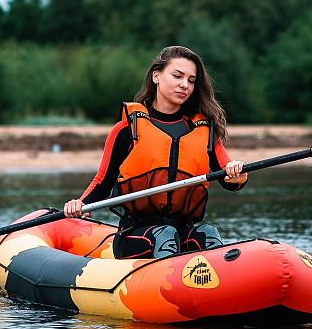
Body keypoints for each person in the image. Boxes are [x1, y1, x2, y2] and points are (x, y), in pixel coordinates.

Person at [63, 46, 248, 259]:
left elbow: (230, 178)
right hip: (135, 234)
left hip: (181, 231)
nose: (184, 85)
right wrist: (80, 204)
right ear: (156, 76)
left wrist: (238, 172)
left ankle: (215, 285)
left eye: (191, 80)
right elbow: (102, 184)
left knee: (208, 234)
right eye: (177, 76)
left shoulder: (203, 131)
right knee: (164, 235)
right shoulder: (126, 130)